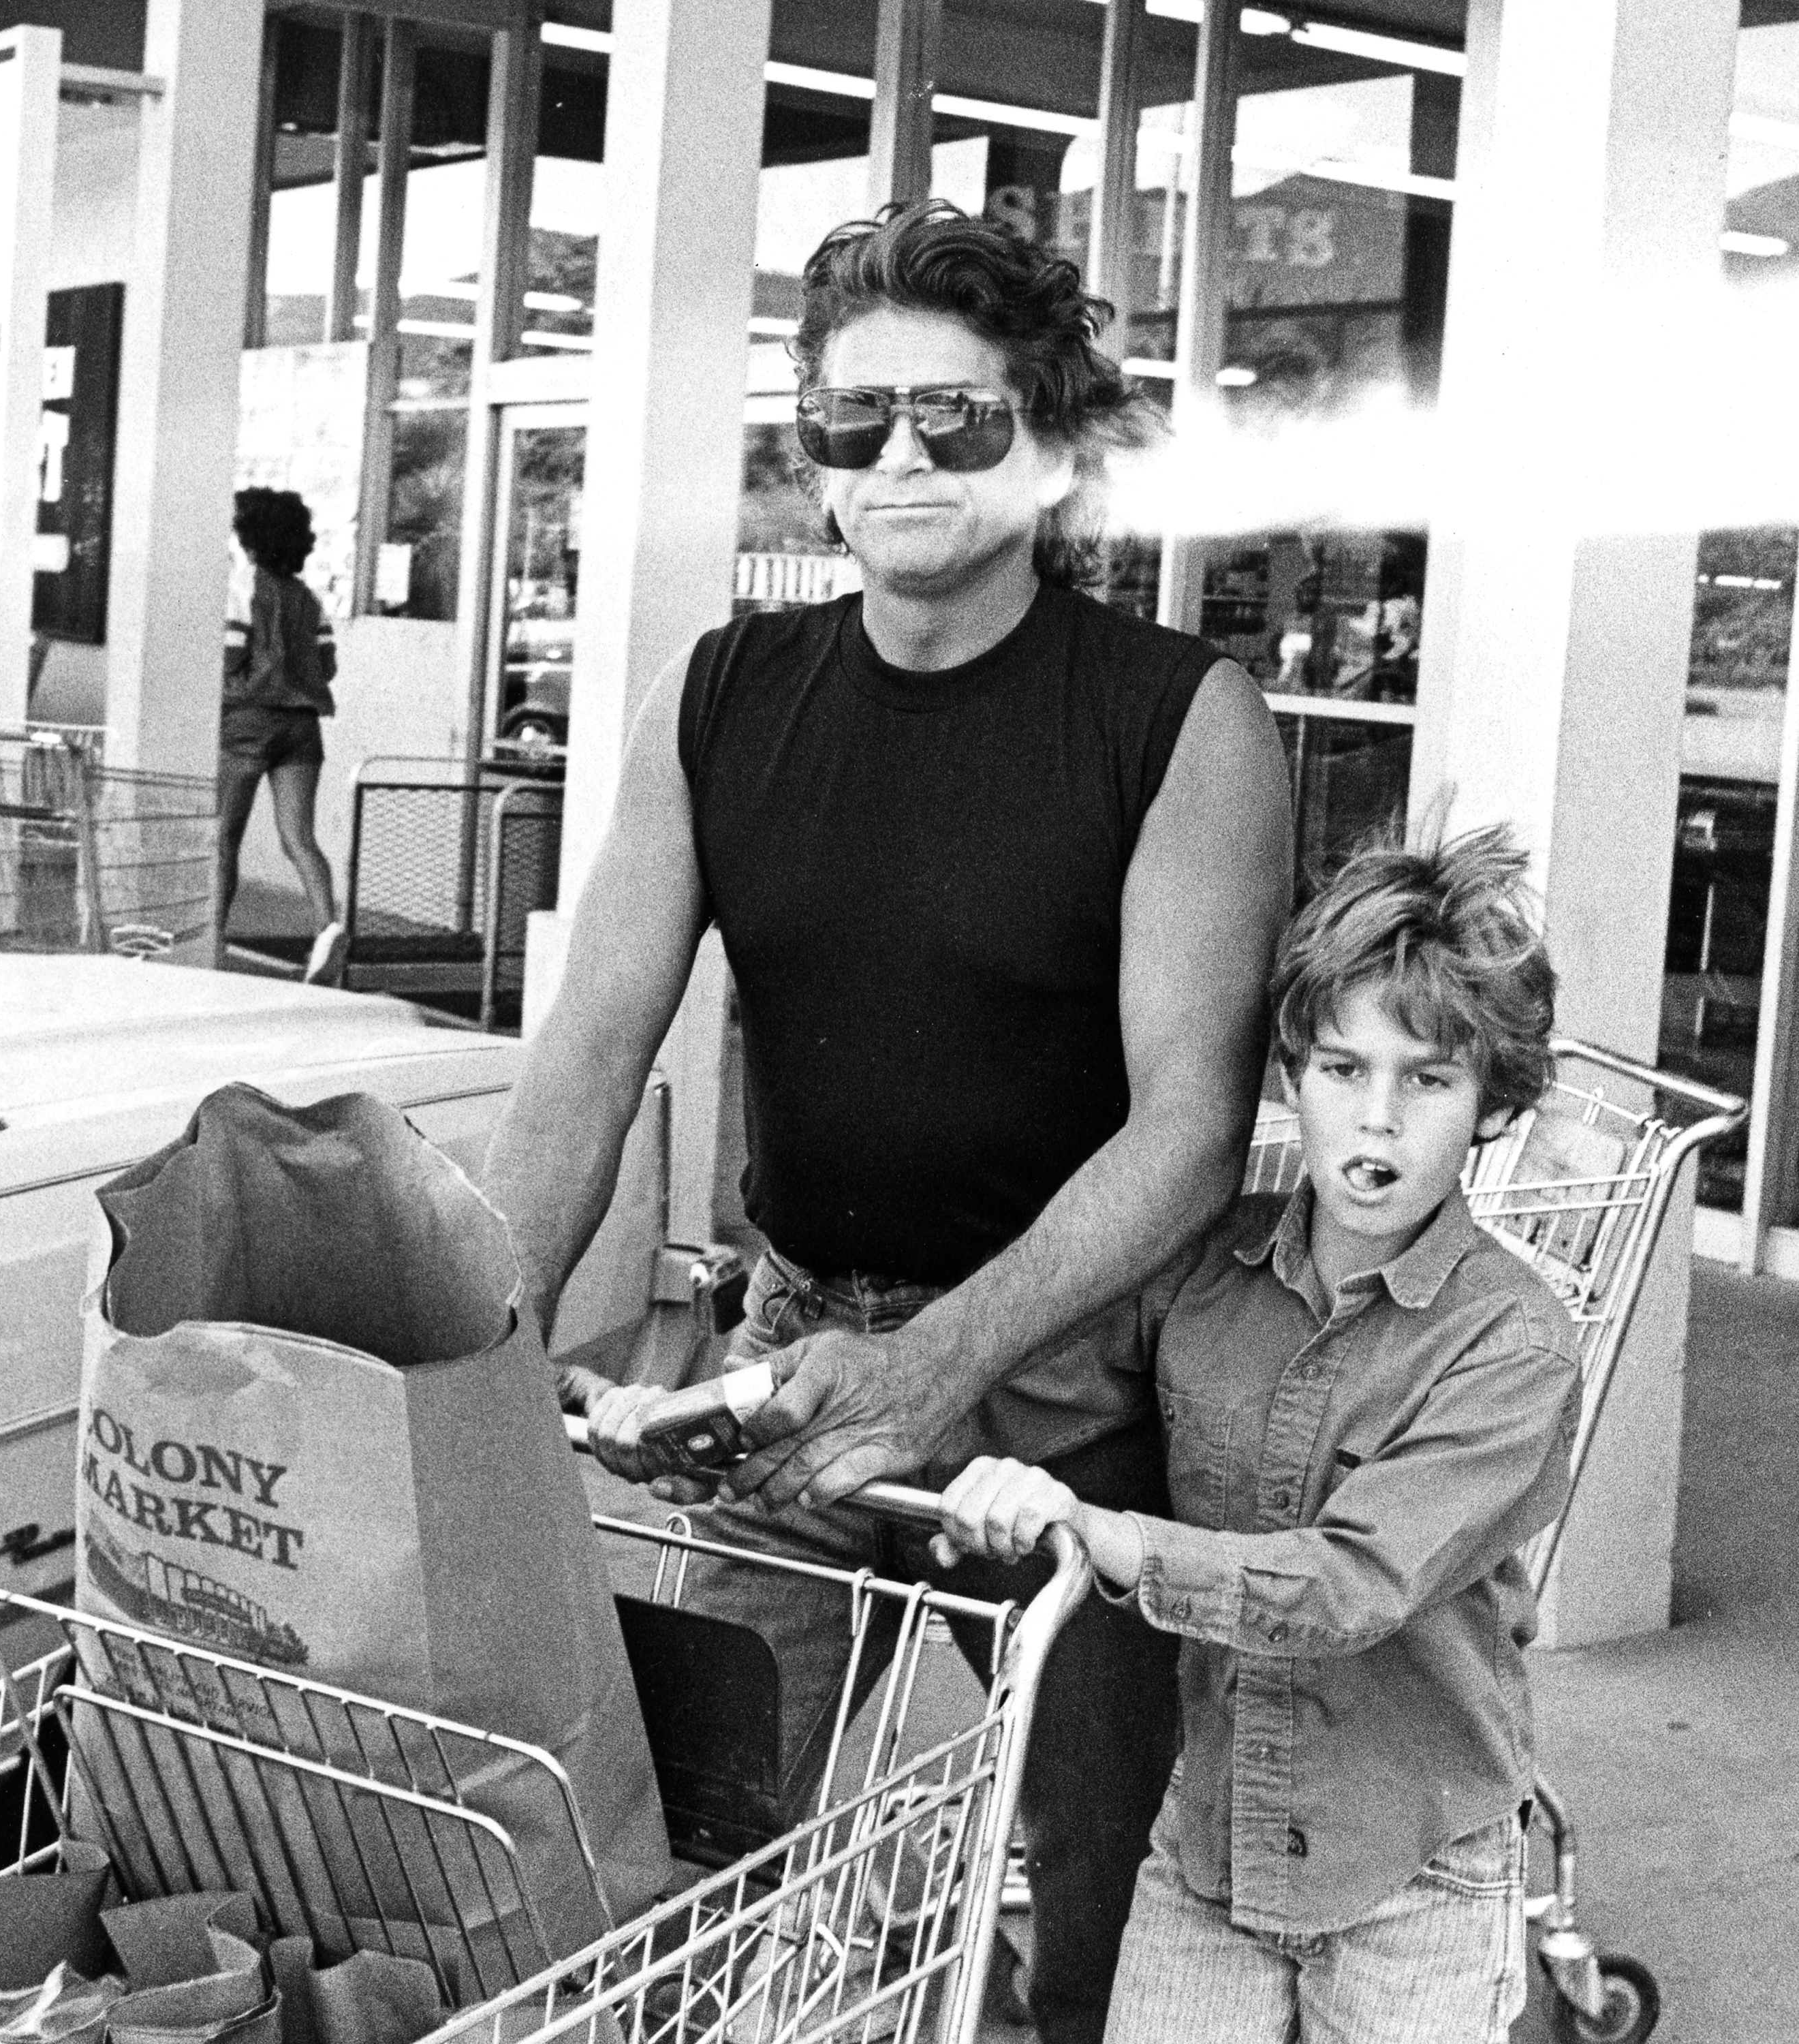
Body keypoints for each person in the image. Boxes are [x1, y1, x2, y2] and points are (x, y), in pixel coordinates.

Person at [483, 200, 1292, 2044]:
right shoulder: (721, 695)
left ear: (1053, 444)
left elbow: (1188, 1126)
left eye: (955, 416)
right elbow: (588, 1057)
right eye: (853, 423)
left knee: (1102, 1860)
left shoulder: (1177, 719)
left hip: (1081, 1386)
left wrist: (937, 1366)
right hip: (787, 1353)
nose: (900, 457)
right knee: (711, 1831)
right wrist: (461, 1334)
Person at [932, 822, 1581, 2044]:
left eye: (1426, 1079)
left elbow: (1343, 1587)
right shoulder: (1204, 1266)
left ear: (1490, 1102)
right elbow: (1028, 1367)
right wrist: (795, 1400)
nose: (1376, 1121)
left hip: (1412, 1870)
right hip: (1210, 1842)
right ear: (1288, 1072)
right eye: (1341, 1069)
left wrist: (1101, 1534)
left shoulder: (1513, 1346)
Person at [219, 486, 345, 984]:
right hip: (302, 728)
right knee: (300, 839)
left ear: (249, 538)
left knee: (224, 837)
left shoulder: (242, 590)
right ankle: (327, 929)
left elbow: (230, 654)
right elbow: (328, 664)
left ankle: (213, 935)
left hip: (246, 723)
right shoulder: (309, 599)